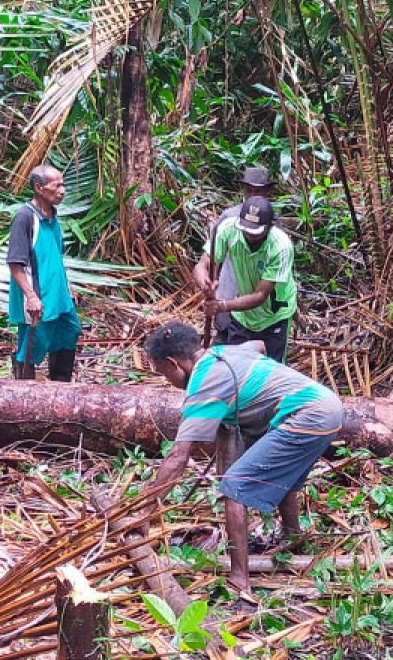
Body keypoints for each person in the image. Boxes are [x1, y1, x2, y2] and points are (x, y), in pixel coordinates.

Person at [142, 322, 343, 595]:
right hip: (329, 406)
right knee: (281, 475)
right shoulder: (222, 353)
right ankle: (293, 536)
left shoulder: (204, 384)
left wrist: (144, 513)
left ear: (173, 363)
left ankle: (240, 579)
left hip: (306, 414)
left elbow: (179, 456)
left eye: (163, 372)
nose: (166, 379)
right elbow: (258, 345)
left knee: (234, 487)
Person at [193, 195, 296, 362]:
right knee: (235, 365)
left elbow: (260, 296)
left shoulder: (280, 247)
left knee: (270, 371)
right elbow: (201, 265)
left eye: (255, 232)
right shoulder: (228, 230)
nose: (249, 235)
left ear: (269, 227)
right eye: (245, 229)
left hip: (274, 315)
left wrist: (222, 305)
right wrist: (204, 283)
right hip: (243, 316)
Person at [7, 165, 80, 381]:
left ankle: (60, 386)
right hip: (38, 297)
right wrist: (30, 296)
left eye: (63, 184)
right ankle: (24, 395)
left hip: (59, 297)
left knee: (69, 332)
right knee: (32, 346)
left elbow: (54, 256)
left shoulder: (53, 216)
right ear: (39, 188)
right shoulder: (25, 218)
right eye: (56, 185)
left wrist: (67, 288)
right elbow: (15, 263)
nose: (62, 190)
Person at [205, 168, 277, 342]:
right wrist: (212, 287)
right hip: (229, 291)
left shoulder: (272, 220)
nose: (253, 195)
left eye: (258, 191)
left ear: (267, 192)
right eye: (249, 190)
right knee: (223, 344)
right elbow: (214, 257)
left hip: (259, 301)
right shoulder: (229, 217)